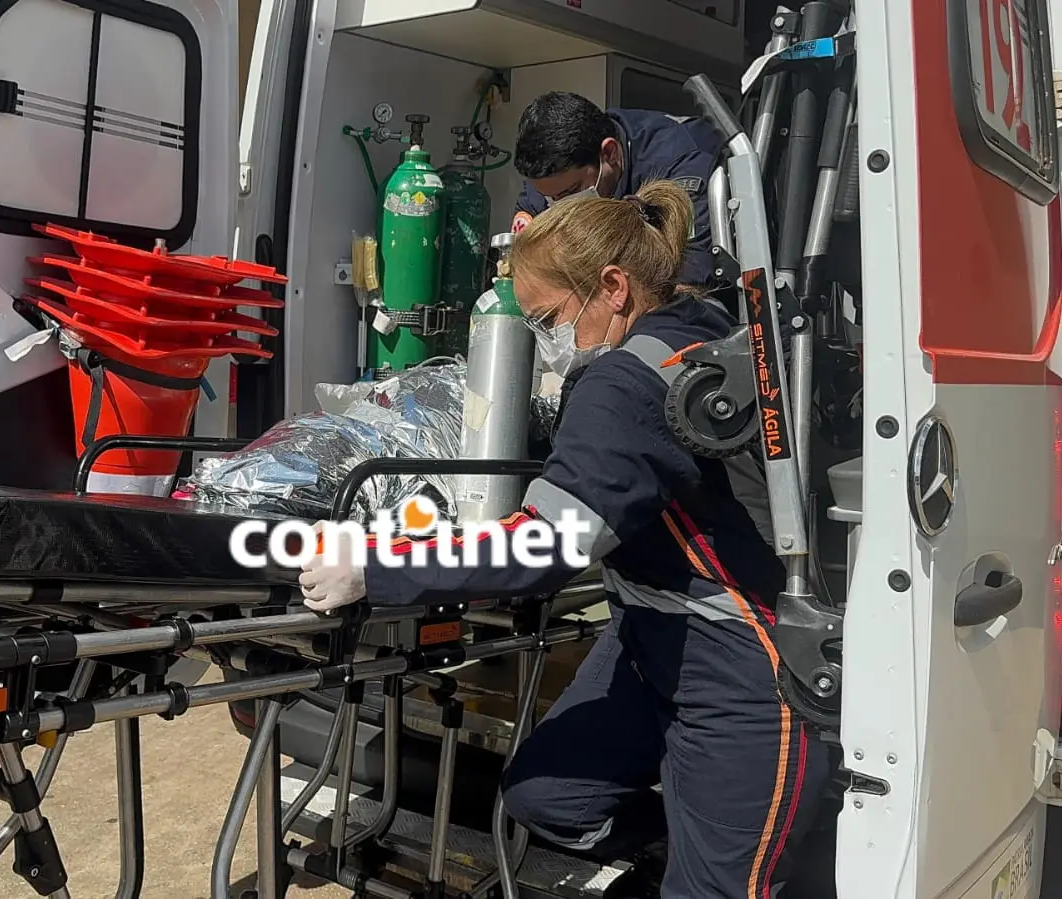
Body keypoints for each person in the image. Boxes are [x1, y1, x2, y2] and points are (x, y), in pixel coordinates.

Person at [297, 180, 832, 897]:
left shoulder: (626, 382)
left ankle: (712, 859)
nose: (547, 341)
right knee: (546, 797)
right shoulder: (693, 326)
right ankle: (685, 847)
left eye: (548, 318)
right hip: (650, 637)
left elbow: (545, 545)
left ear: (612, 287)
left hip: (737, 667)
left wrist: (375, 566)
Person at [511, 91, 722, 288]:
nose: (559, 206)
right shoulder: (548, 178)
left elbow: (691, 274)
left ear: (609, 153)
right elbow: (522, 261)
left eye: (571, 191)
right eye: (550, 198)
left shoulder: (679, 163)